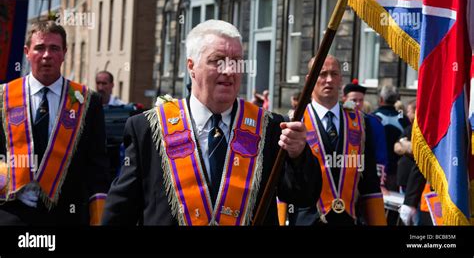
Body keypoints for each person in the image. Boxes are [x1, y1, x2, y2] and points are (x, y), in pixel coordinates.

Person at [102, 20, 322, 225]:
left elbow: (303, 196)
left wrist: (298, 155)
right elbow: (121, 210)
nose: (228, 71)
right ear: (191, 67)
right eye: (218, 61)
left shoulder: (270, 126)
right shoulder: (149, 128)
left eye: (236, 62)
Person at [0, 21, 110, 225]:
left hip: (67, 215)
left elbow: (97, 167)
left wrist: (99, 217)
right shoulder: (3, 97)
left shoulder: (87, 102)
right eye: (39, 47)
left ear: (64, 52)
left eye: (54, 48)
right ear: (27, 52)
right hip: (10, 213)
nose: (46, 55)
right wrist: (8, 182)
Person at [289, 56, 386, 225]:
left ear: (341, 78)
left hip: (348, 220)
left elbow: (369, 184)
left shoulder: (360, 123)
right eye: (322, 74)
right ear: (309, 79)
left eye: (334, 74)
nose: (329, 80)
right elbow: (283, 182)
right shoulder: (294, 122)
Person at [342, 79, 388, 187]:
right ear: (344, 99)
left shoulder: (373, 122)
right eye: (353, 100)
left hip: (364, 176)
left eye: (361, 100)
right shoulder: (336, 119)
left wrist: (380, 183)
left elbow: (380, 154)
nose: (357, 104)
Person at [372, 85, 410, 192]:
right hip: (397, 171)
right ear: (396, 100)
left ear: (381, 99)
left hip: (376, 170)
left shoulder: (373, 117)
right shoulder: (403, 118)